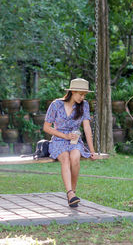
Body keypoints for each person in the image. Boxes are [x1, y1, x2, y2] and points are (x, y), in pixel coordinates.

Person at [43, 78, 96, 208]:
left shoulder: (84, 105)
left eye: (84, 95)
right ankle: (70, 193)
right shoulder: (56, 105)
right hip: (59, 140)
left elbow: (87, 128)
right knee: (65, 159)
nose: (82, 97)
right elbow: (47, 127)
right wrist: (64, 135)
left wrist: (92, 150)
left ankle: (73, 192)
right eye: (80, 94)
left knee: (75, 157)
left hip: (74, 140)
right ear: (72, 91)